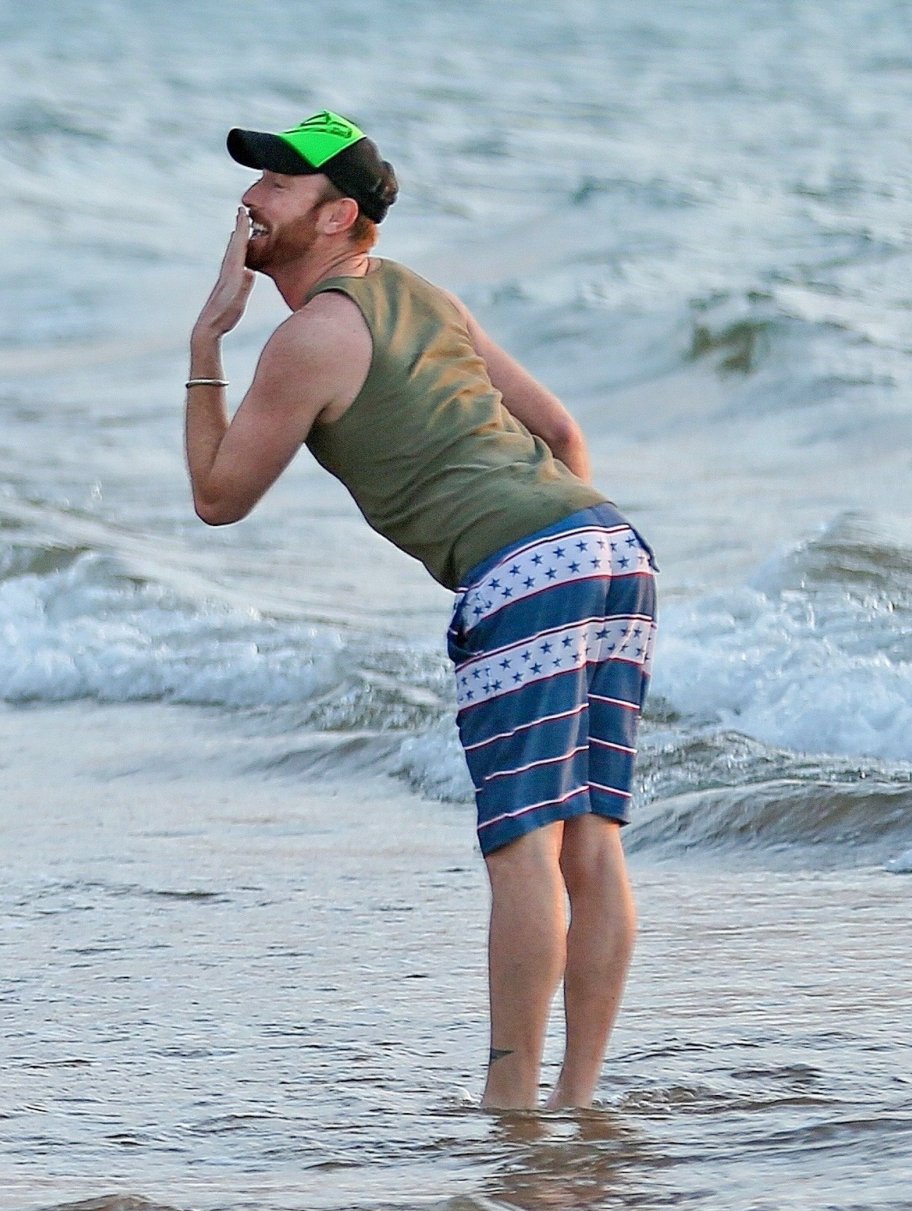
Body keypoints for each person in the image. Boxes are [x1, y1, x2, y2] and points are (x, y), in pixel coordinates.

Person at [183, 111, 656, 1110]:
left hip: (525, 568)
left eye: (277, 185)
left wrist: (206, 339)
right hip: (611, 547)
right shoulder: (423, 295)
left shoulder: (311, 338)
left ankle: (510, 1102)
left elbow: (219, 497)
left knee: (523, 843)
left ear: (336, 216)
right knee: (590, 835)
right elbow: (561, 431)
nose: (251, 198)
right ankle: (575, 1099)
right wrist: (554, 542)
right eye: (257, 179)